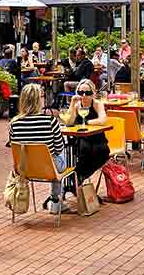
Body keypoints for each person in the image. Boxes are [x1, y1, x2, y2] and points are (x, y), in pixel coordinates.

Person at [9, 83, 69, 215]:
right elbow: (59, 148)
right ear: (38, 100)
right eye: (42, 96)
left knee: (53, 157)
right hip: (49, 169)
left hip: (25, 169)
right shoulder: (51, 121)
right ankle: (56, 201)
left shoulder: (14, 123)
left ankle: (55, 201)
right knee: (63, 154)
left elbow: (15, 148)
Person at [60, 79, 110, 181]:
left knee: (103, 151)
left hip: (97, 137)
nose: (83, 95)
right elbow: (69, 122)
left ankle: (79, 177)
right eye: (80, 92)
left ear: (92, 94)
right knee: (84, 149)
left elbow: (103, 120)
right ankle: (77, 179)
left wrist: (87, 122)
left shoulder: (96, 104)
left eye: (87, 93)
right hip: (81, 137)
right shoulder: (77, 104)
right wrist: (72, 103)